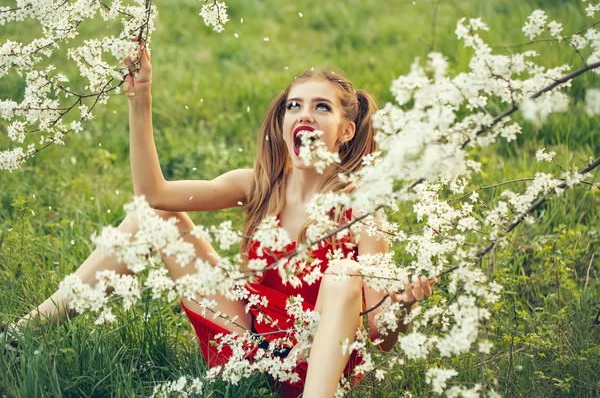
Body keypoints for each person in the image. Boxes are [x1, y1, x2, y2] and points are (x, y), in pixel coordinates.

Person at [9, 37, 436, 397]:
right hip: (249, 342)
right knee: (152, 218)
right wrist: (140, 99)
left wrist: (403, 306)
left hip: (313, 362)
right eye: (294, 106)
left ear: (346, 130)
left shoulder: (364, 208)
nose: (304, 114)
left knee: (344, 273)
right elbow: (153, 195)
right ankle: (21, 336)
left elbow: (382, 336)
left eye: (322, 107)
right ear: (283, 120)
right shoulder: (258, 184)